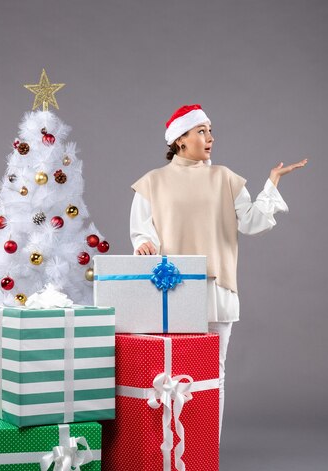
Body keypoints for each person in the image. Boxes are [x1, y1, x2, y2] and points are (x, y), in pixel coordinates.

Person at [130, 104, 307, 440]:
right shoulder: (152, 183)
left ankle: (206, 456)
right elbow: (143, 232)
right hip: (172, 291)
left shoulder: (224, 178)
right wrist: (144, 245)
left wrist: (272, 183)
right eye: (201, 131)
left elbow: (253, 222)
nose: (210, 138)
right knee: (169, 373)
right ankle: (168, 449)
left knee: (214, 375)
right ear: (180, 139)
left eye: (211, 131)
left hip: (217, 288)